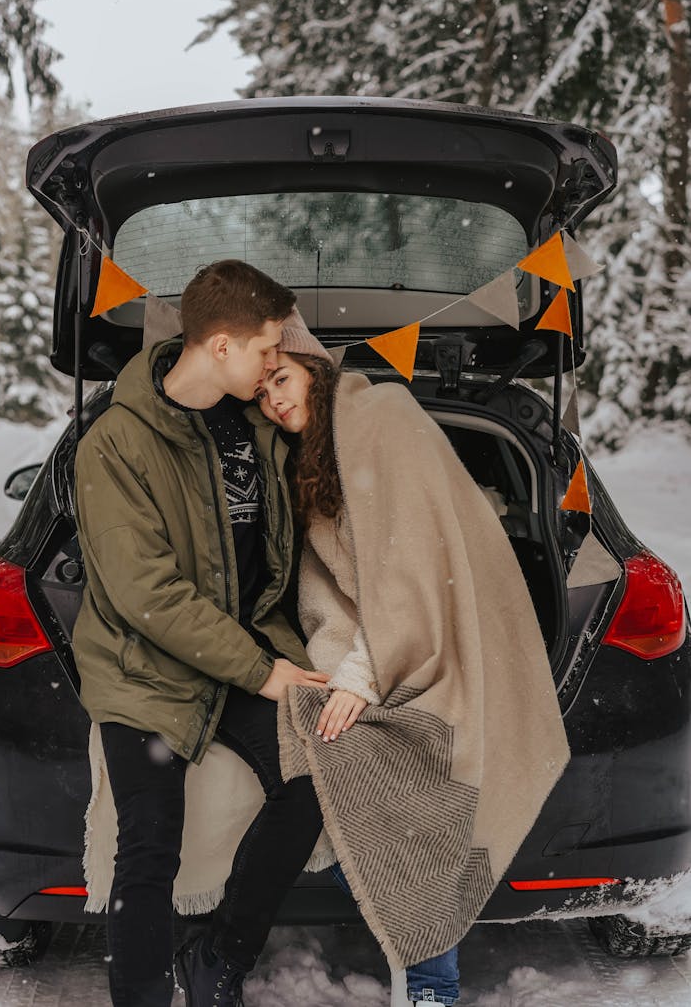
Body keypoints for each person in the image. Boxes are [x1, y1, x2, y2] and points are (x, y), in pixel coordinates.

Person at [254, 309, 571, 1006]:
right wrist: (342, 671)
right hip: (391, 649)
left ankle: (430, 982)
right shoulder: (313, 464)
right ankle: (426, 961)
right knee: (338, 767)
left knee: (399, 783)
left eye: (281, 377)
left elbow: (417, 572)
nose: (275, 399)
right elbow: (329, 596)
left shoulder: (384, 416)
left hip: (454, 645)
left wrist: (365, 677)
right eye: (262, 393)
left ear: (314, 366)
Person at [71, 261, 330, 1007]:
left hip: (243, 649)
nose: (275, 361)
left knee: (314, 780)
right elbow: (148, 594)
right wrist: (265, 671)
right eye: (266, 348)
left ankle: (219, 954)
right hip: (143, 665)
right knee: (149, 846)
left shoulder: (257, 420)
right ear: (220, 345)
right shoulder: (115, 445)